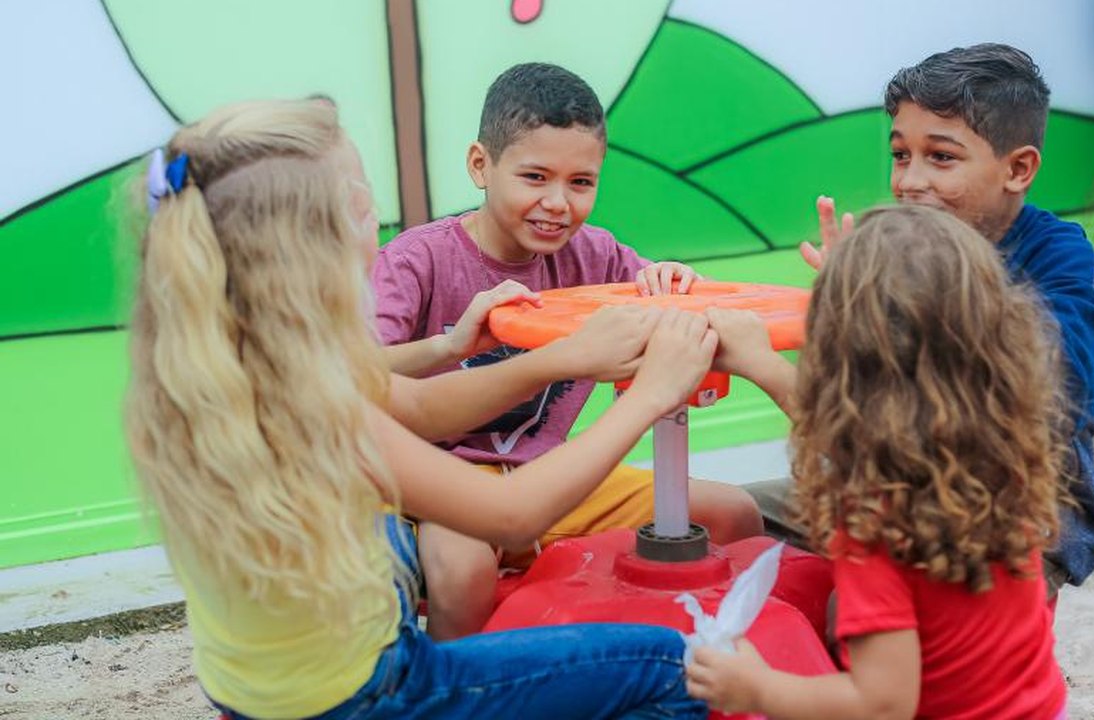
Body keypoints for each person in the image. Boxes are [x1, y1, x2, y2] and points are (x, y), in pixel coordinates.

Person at [126, 97, 709, 720]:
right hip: (372, 694)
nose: (377, 224)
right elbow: (512, 515)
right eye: (364, 204)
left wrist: (483, 351)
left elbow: (421, 405)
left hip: (256, 691)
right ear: (319, 246)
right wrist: (649, 396)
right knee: (677, 670)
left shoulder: (212, 362)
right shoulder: (306, 403)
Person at [373, 62, 762, 639]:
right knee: (462, 567)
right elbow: (355, 371)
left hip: (552, 475)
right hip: (445, 480)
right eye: (535, 177)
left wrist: (675, 280)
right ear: (481, 165)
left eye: (581, 182)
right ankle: (462, 679)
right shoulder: (415, 261)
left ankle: (695, 658)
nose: (558, 202)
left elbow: (677, 302)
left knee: (734, 513)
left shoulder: (596, 256)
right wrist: (445, 346)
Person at [753, 44, 1094, 597]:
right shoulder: (899, 249)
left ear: (1018, 169)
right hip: (893, 483)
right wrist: (847, 307)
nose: (910, 181)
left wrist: (896, 305)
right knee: (726, 515)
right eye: (901, 155)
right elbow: (850, 402)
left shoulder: (1059, 256)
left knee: (877, 613)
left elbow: (1050, 391)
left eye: (941, 157)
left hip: (1019, 513)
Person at [690, 205, 1069, 720]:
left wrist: (757, 689)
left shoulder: (877, 525)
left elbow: (882, 705)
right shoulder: (999, 460)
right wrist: (763, 359)